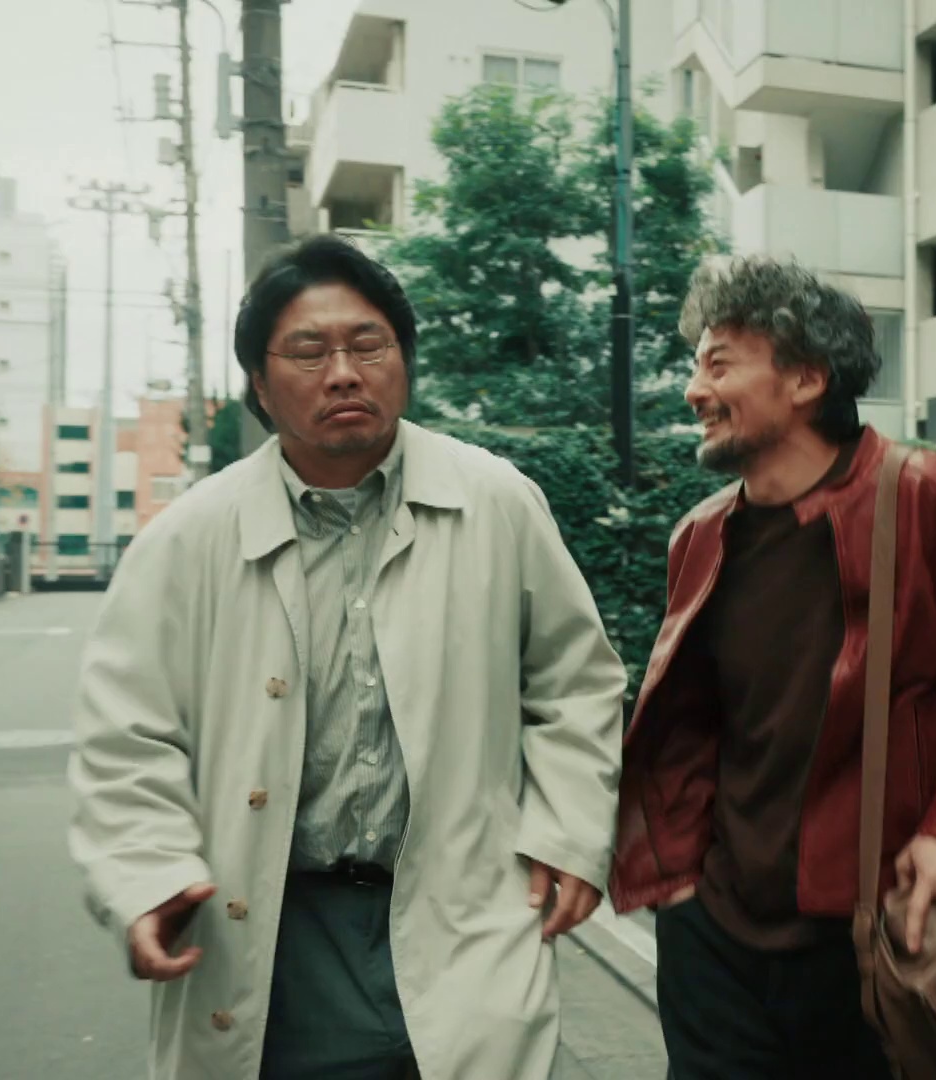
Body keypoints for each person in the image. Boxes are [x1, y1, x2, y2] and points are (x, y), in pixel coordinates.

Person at [67, 234, 627, 1080]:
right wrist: (147, 874)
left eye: (369, 345)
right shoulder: (188, 539)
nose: (342, 373)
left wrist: (569, 833)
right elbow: (127, 737)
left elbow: (574, 681)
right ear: (259, 385)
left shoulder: (496, 502)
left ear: (404, 361)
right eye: (308, 351)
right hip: (276, 930)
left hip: (465, 912)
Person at [609, 255, 936, 1077]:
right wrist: (678, 883)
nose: (693, 390)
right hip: (714, 935)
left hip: (864, 938)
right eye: (696, 365)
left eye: (719, 364)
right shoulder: (701, 535)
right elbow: (693, 722)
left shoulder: (933, 499)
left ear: (806, 379)